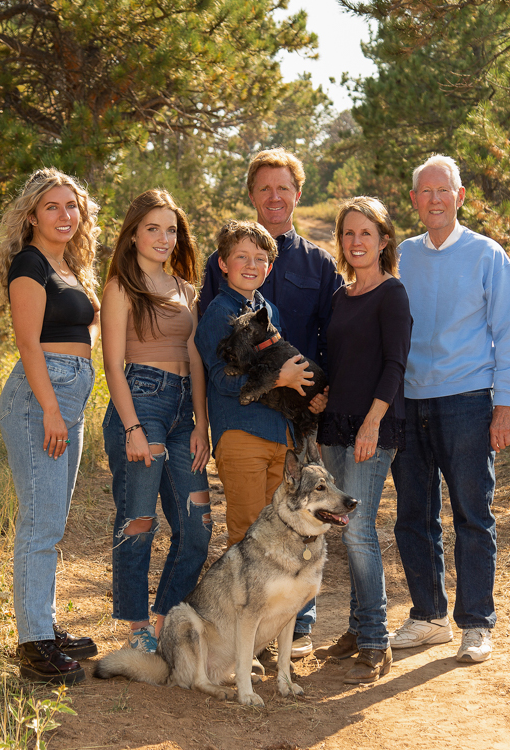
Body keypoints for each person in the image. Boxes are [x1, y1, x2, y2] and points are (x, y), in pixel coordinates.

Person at [199, 147, 344, 656]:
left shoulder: (317, 264)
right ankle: (247, 639)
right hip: (244, 419)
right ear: (253, 195)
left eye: (283, 187)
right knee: (252, 531)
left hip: (295, 422)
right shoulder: (223, 273)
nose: (275, 196)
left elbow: (333, 335)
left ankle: (293, 628)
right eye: (265, 188)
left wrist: (323, 394)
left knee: (297, 523)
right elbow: (213, 356)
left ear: (297, 194)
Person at [390, 154, 510, 663]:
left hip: (469, 401)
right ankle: (428, 617)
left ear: (460, 195)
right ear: (413, 200)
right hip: (408, 404)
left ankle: (475, 623)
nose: (434, 199)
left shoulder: (487, 255)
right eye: (425, 191)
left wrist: (505, 405)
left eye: (443, 190)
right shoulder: (402, 255)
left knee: (473, 515)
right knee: (413, 516)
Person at [0, 168, 101, 684]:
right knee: (41, 523)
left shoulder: (69, 264)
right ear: (32, 214)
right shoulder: (29, 264)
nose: (64, 215)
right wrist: (52, 409)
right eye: (52, 206)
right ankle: (33, 644)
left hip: (68, 393)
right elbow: (28, 343)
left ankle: (44, 625)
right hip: (42, 399)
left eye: (71, 206)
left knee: (50, 519)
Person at [102, 189, 211, 655]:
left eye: (171, 230)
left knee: (197, 526)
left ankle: (164, 619)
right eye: (153, 228)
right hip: (140, 402)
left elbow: (196, 359)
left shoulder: (186, 289)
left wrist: (202, 424)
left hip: (184, 411)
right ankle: (135, 626)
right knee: (139, 521)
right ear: (133, 234)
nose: (164, 238)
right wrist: (131, 428)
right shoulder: (120, 287)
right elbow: (111, 364)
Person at [317, 197, 411, 684]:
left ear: (383, 241)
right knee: (345, 528)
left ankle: (376, 640)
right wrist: (323, 395)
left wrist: (373, 422)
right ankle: (355, 629)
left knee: (358, 529)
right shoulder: (340, 296)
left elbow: (395, 364)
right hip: (334, 426)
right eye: (349, 234)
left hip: (373, 426)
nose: (356, 242)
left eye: (366, 234)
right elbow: (342, 362)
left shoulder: (392, 293)